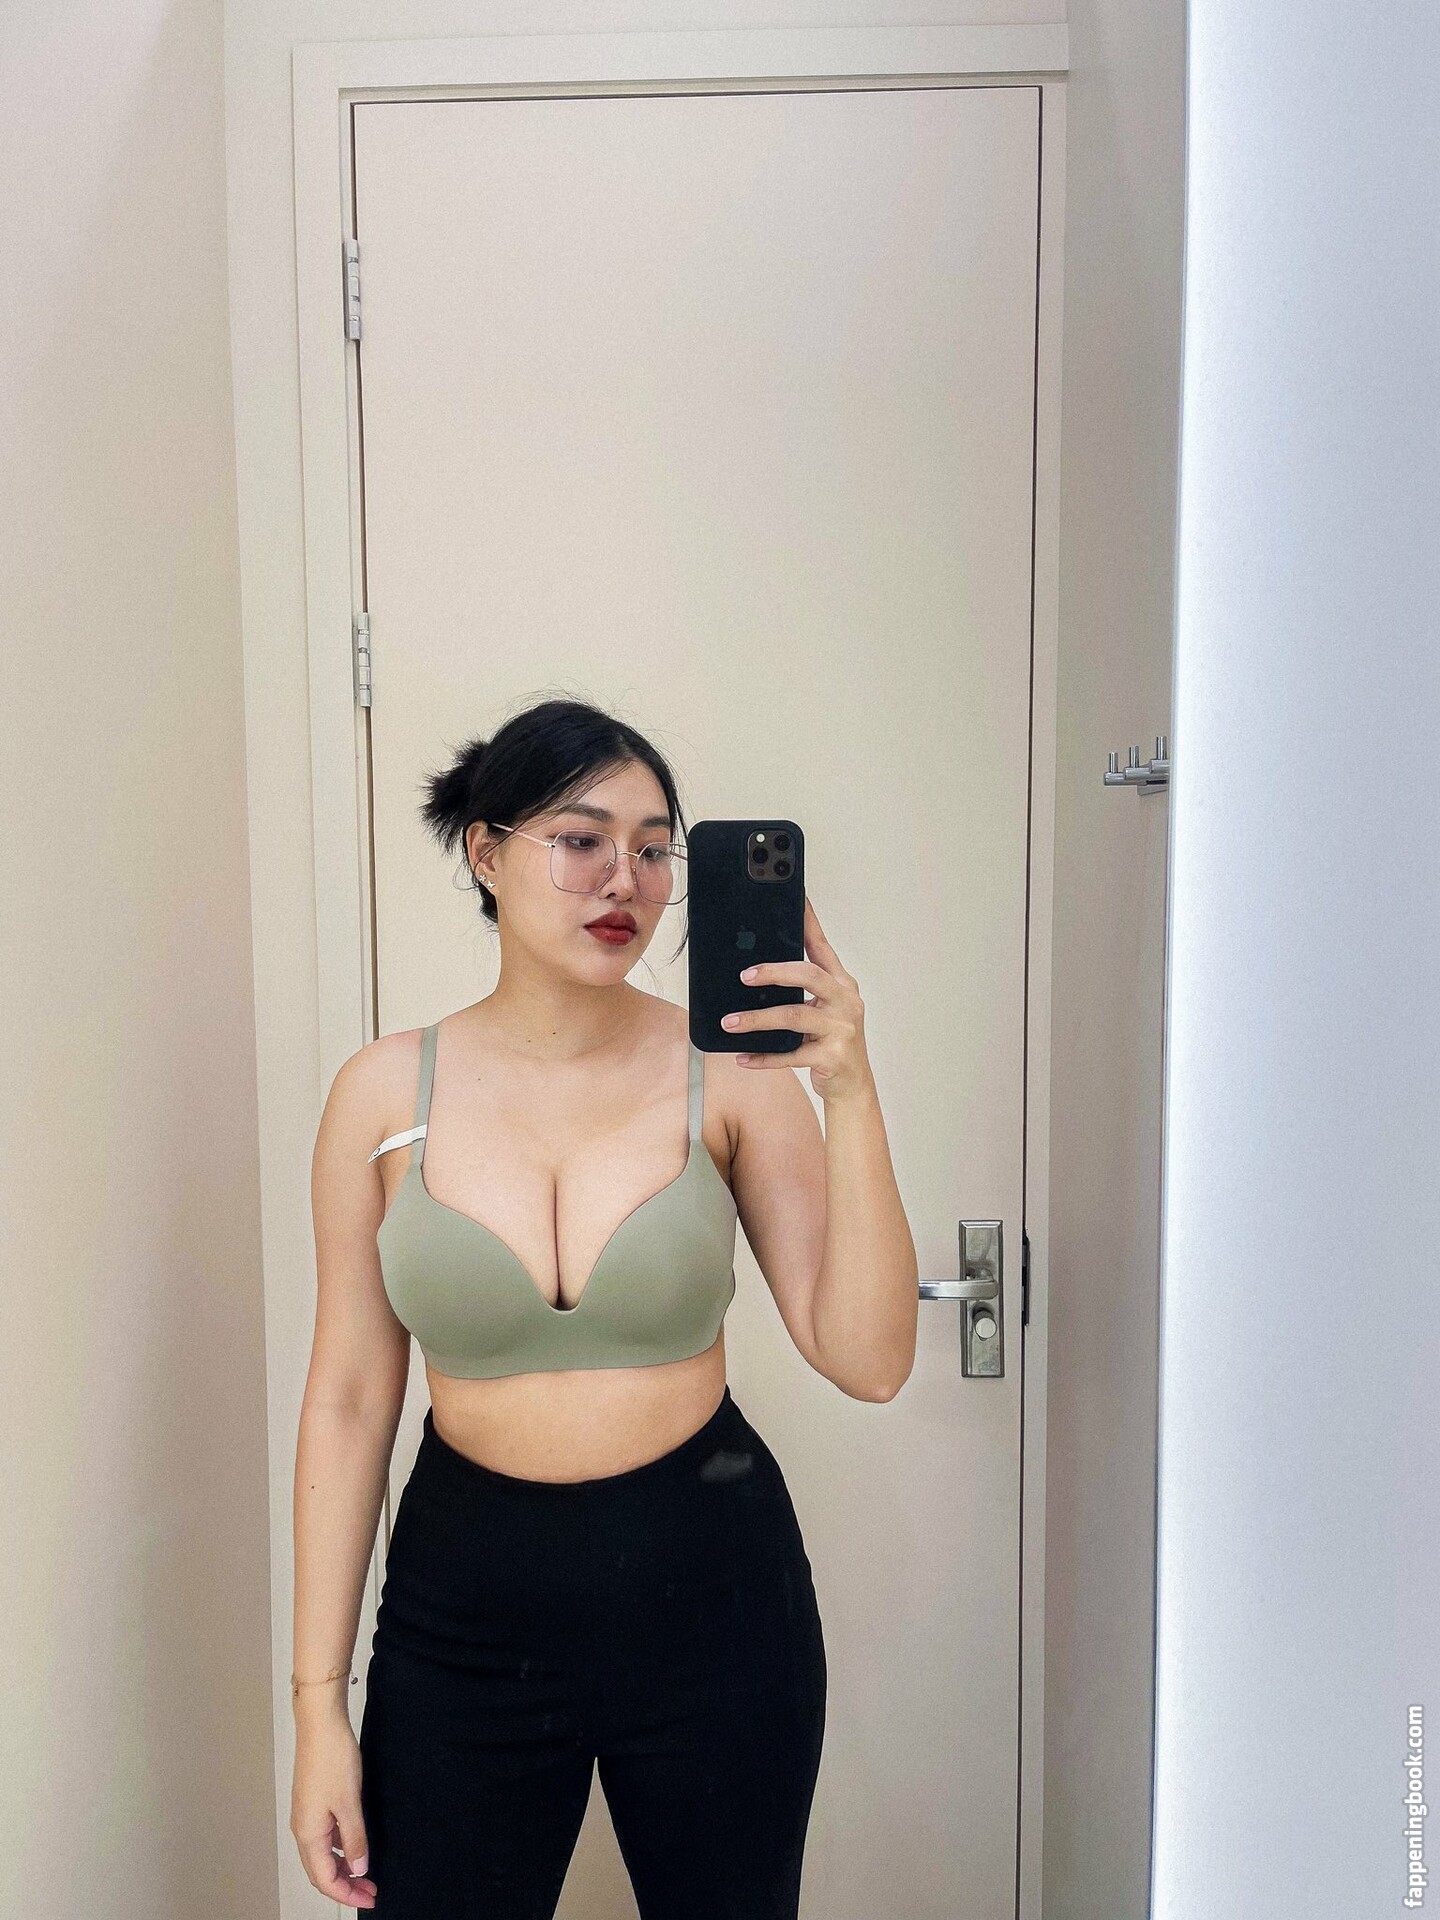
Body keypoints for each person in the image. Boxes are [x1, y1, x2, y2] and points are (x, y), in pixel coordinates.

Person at [289, 696, 918, 1916]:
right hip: (463, 1610)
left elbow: (871, 1358)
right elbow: (350, 1399)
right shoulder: (381, 1094)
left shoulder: (731, 1074)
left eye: (652, 848)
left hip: (716, 1602)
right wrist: (319, 1709)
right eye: (581, 840)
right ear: (486, 852)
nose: (623, 879)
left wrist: (850, 1091)